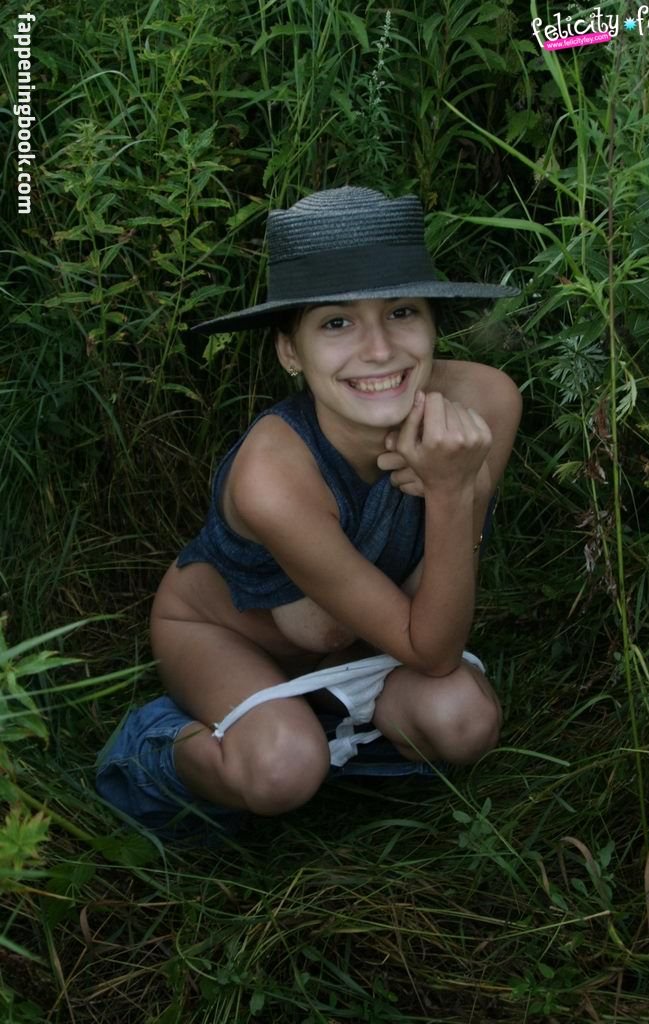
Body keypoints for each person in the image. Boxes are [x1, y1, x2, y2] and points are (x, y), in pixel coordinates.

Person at [95, 186, 522, 840]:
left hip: (370, 638)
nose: (378, 350)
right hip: (224, 638)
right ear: (290, 351)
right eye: (336, 323)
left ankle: (323, 735)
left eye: (402, 311)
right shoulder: (272, 479)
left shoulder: (484, 405)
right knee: (281, 769)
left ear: (433, 322)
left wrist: (457, 488)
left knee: (466, 723)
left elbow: (431, 626)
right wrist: (449, 492)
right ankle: (159, 750)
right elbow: (431, 648)